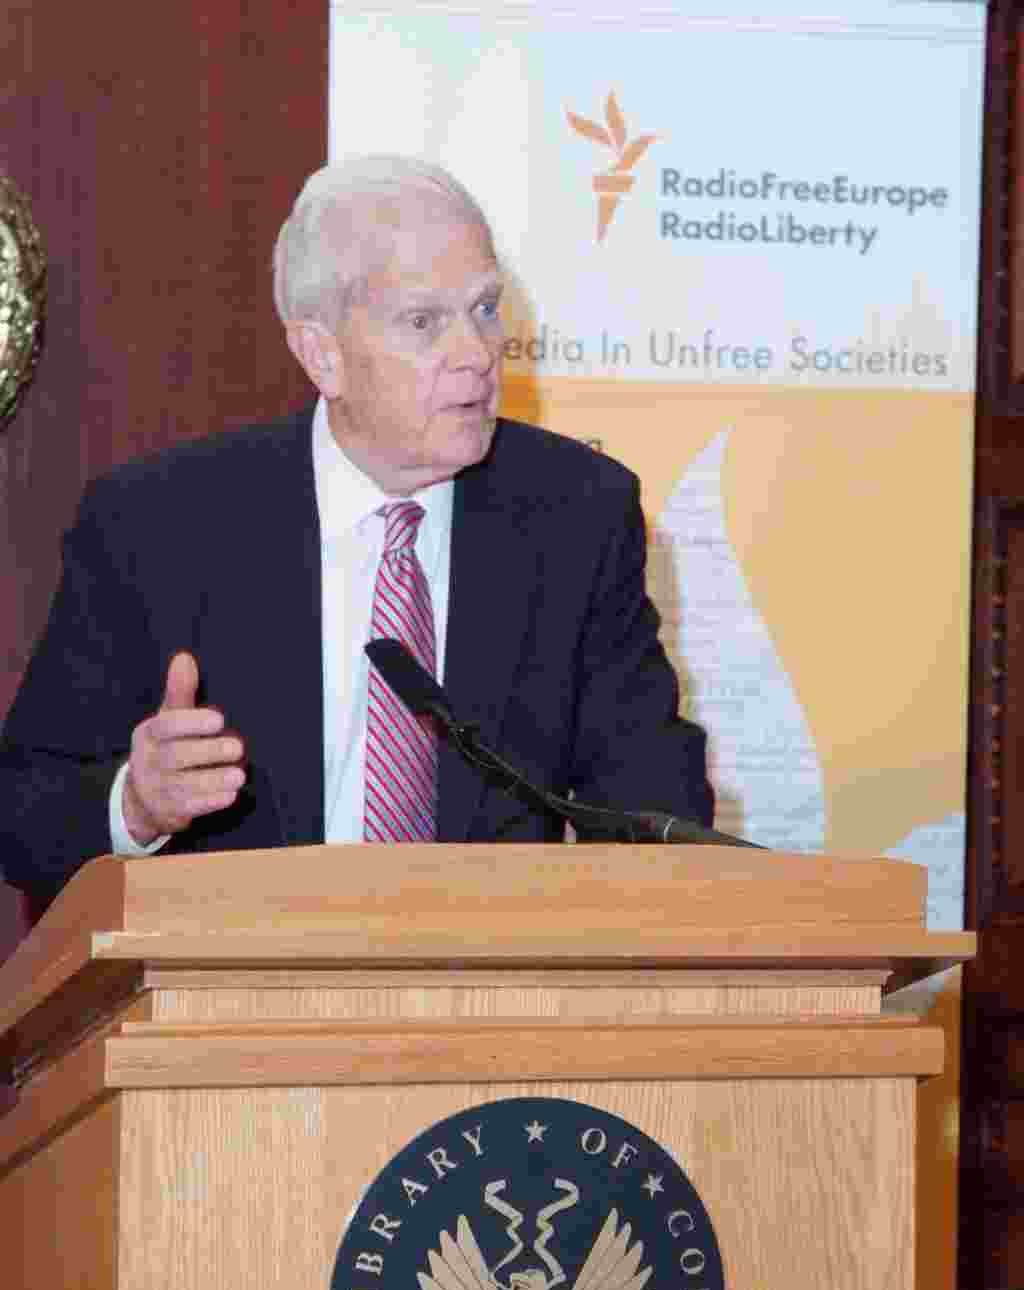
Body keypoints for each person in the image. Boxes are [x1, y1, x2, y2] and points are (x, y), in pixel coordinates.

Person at [0, 156, 713, 910]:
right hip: (235, 997)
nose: (476, 353)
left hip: (490, 995)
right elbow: (24, 811)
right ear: (322, 354)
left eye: (484, 309)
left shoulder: (576, 514)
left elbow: (657, 811)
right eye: (424, 321)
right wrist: (135, 806)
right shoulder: (158, 525)